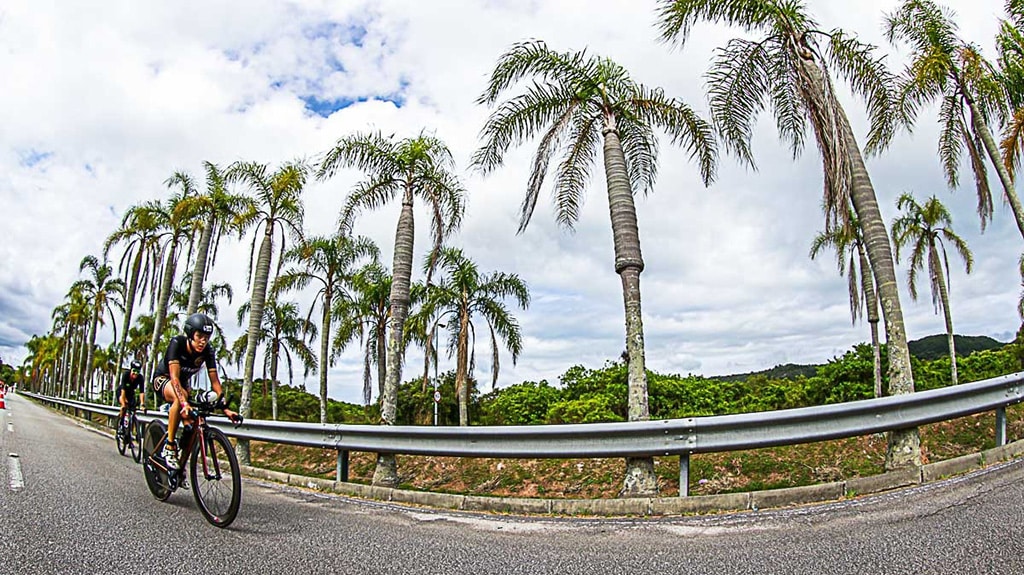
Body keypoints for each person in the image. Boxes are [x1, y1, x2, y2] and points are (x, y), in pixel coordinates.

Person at [152, 313, 240, 469]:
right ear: (190, 335)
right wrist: (184, 402)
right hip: (164, 379)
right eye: (199, 336)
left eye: (206, 337)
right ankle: (170, 446)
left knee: (191, 423)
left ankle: (179, 467)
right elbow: (174, 378)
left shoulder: (208, 351)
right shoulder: (177, 343)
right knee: (182, 399)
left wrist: (225, 408)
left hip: (183, 385)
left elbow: (215, 382)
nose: (203, 341)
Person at [116, 360, 146, 435]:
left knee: (133, 411)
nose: (135, 373)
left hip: (130, 393)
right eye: (134, 371)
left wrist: (142, 404)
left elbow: (141, 392)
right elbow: (123, 389)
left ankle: (130, 432)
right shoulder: (125, 375)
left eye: (137, 372)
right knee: (124, 406)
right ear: (131, 370)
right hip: (122, 392)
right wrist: (123, 402)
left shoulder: (140, 378)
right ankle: (121, 425)